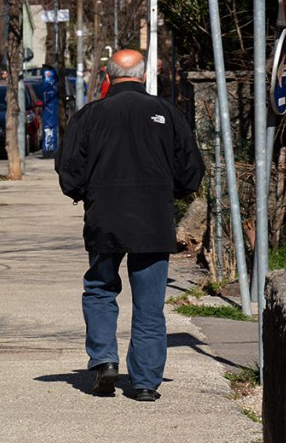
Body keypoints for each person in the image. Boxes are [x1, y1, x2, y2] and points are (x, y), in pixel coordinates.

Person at [55, 49, 203, 402]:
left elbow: (69, 171)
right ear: (144, 75)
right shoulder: (168, 113)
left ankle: (105, 360)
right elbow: (190, 171)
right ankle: (146, 382)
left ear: (108, 77)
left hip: (105, 217)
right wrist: (171, 192)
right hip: (153, 220)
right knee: (150, 304)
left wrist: (83, 193)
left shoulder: (90, 115)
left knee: (100, 289)